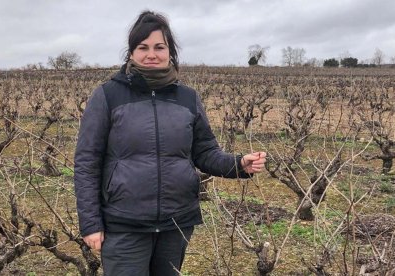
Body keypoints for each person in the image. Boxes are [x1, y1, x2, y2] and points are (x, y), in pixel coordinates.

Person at [74, 10, 267, 276]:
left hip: (176, 224)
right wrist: (90, 223)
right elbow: (87, 162)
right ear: (131, 53)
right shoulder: (108, 95)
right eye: (142, 47)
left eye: (159, 47)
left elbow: (205, 152)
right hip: (124, 223)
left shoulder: (187, 98)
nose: (151, 54)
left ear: (170, 52)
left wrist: (238, 164)